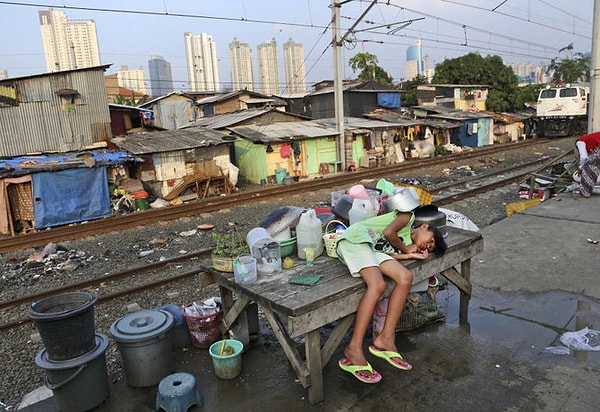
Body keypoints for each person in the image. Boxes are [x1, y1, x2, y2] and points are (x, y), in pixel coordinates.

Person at [335, 209, 447, 383]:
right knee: (378, 285)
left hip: (371, 249)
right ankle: (354, 348)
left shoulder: (406, 242)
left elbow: (386, 251)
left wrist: (408, 254)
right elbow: (388, 233)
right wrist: (406, 248)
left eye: (430, 248)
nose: (428, 245)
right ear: (424, 226)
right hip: (356, 238)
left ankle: (386, 337)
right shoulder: (408, 217)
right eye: (430, 240)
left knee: (405, 277)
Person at [573, 132, 600, 197]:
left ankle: (584, 193)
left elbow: (584, 157)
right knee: (596, 167)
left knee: (588, 167)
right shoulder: (590, 139)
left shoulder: (580, 142)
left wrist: (580, 168)